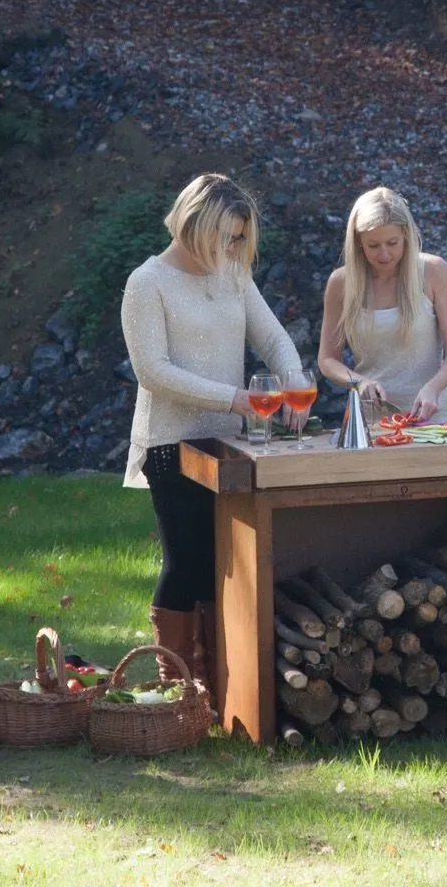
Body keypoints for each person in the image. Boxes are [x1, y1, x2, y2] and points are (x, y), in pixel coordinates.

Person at [121, 173, 305, 696]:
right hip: (169, 442)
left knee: (229, 560)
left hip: (229, 440)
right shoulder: (147, 282)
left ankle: (225, 684)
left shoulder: (232, 274)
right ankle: (179, 682)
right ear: (191, 223)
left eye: (238, 238)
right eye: (225, 236)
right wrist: (233, 398)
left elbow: (272, 335)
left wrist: (291, 377)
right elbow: (152, 371)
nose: (231, 246)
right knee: (189, 560)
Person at [317, 186, 447, 423]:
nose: (384, 254)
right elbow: (327, 360)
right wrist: (359, 382)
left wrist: (433, 388)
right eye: (373, 246)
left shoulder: (434, 272)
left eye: (392, 242)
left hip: (432, 418)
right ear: (358, 243)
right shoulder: (341, 283)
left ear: (406, 236)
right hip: (368, 422)